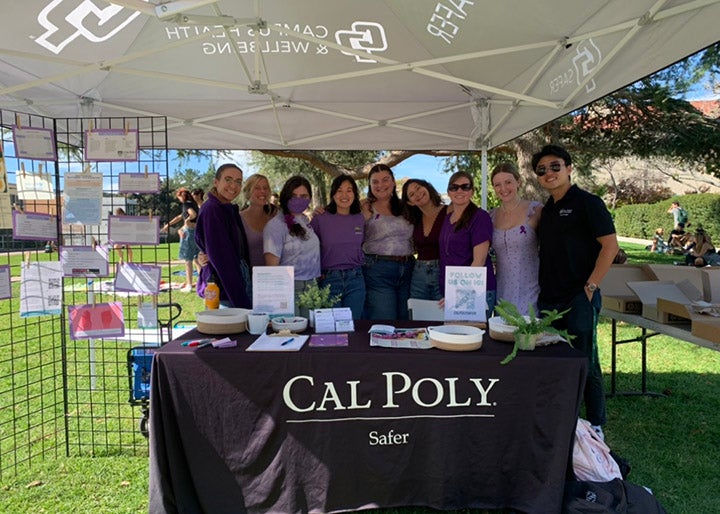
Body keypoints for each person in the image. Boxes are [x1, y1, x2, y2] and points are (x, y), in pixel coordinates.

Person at [533, 144, 619, 440]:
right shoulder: (547, 209)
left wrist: (591, 286)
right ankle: (560, 416)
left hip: (579, 297)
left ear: (569, 168)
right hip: (549, 298)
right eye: (542, 170)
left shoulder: (588, 203)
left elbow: (611, 246)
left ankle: (595, 422)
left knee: (584, 360)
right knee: (553, 360)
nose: (549, 173)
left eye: (555, 166)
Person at [439, 171, 496, 317]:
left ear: (472, 191)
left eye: (465, 187)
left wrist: (458, 293)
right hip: (451, 291)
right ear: (449, 192)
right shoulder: (448, 218)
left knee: (474, 337)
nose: (459, 191)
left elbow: (479, 260)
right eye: (454, 187)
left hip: (474, 291)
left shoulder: (480, 217)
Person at [195, 164, 252, 308]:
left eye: (238, 182)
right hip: (224, 290)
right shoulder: (213, 209)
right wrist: (240, 301)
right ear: (216, 182)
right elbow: (222, 259)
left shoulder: (226, 208)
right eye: (228, 179)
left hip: (230, 287)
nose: (233, 185)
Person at [361, 164, 415, 320]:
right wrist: (321, 211)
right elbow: (341, 219)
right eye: (375, 182)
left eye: (385, 180)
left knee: (406, 321)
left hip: (408, 269)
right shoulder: (364, 206)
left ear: (393, 182)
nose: (380, 185)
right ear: (370, 186)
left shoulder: (407, 206)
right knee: (385, 321)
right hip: (377, 270)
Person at [488, 162, 542, 315]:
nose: (503, 189)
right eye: (497, 184)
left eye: (508, 182)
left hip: (531, 288)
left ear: (518, 182)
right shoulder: (491, 216)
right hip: (502, 289)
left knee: (527, 335)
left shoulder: (535, 210)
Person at [263, 175, 321, 317]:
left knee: (311, 335)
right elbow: (272, 269)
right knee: (293, 333)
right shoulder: (275, 226)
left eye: (303, 196)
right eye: (294, 195)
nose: (298, 199)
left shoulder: (304, 220)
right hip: (289, 289)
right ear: (285, 196)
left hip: (312, 286)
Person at [310, 175, 366, 319]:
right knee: (333, 328)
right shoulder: (320, 218)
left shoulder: (360, 218)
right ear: (333, 194)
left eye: (349, 190)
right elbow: (310, 248)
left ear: (355, 194)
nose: (344, 195)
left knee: (354, 326)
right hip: (329, 280)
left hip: (356, 279)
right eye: (339, 190)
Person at [401, 179, 447, 301]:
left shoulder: (449, 211)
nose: (417, 194)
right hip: (419, 274)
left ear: (427, 187)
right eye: (411, 194)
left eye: (418, 188)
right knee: (418, 315)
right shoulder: (414, 220)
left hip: (444, 271)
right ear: (410, 203)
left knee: (443, 316)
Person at [162, 187, 199, 292]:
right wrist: (168, 224)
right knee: (197, 259)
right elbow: (179, 217)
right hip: (196, 232)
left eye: (178, 197)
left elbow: (193, 214)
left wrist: (187, 221)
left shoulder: (186, 205)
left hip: (189, 233)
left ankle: (189, 284)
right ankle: (202, 283)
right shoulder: (193, 204)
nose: (178, 200)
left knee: (188, 260)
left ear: (182, 196)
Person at [240, 174, 278, 267]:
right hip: (248, 278)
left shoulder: (275, 218)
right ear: (248, 192)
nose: (262, 191)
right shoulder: (238, 220)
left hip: (276, 277)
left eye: (265, 188)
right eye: (257, 188)